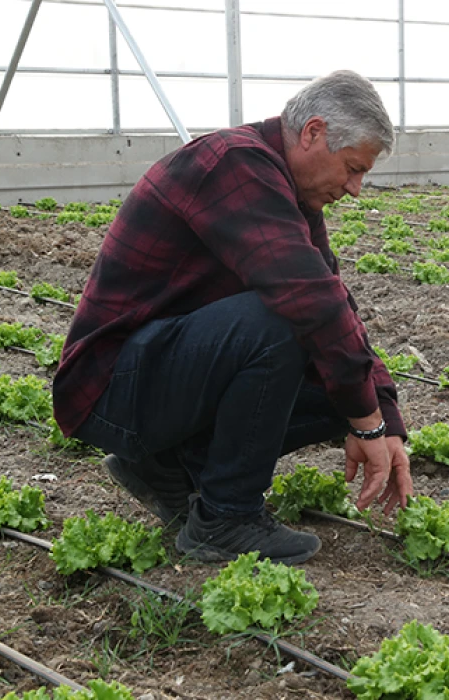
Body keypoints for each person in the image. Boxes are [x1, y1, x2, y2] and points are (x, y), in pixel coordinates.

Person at [52, 70, 413, 565]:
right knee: (285, 322)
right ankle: (226, 518)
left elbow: (337, 306)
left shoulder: (290, 193)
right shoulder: (233, 164)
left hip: (163, 376)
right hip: (111, 388)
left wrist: (384, 420)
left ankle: (166, 468)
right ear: (313, 133)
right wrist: (368, 425)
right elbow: (309, 302)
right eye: (352, 168)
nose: (355, 189)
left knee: (346, 389)